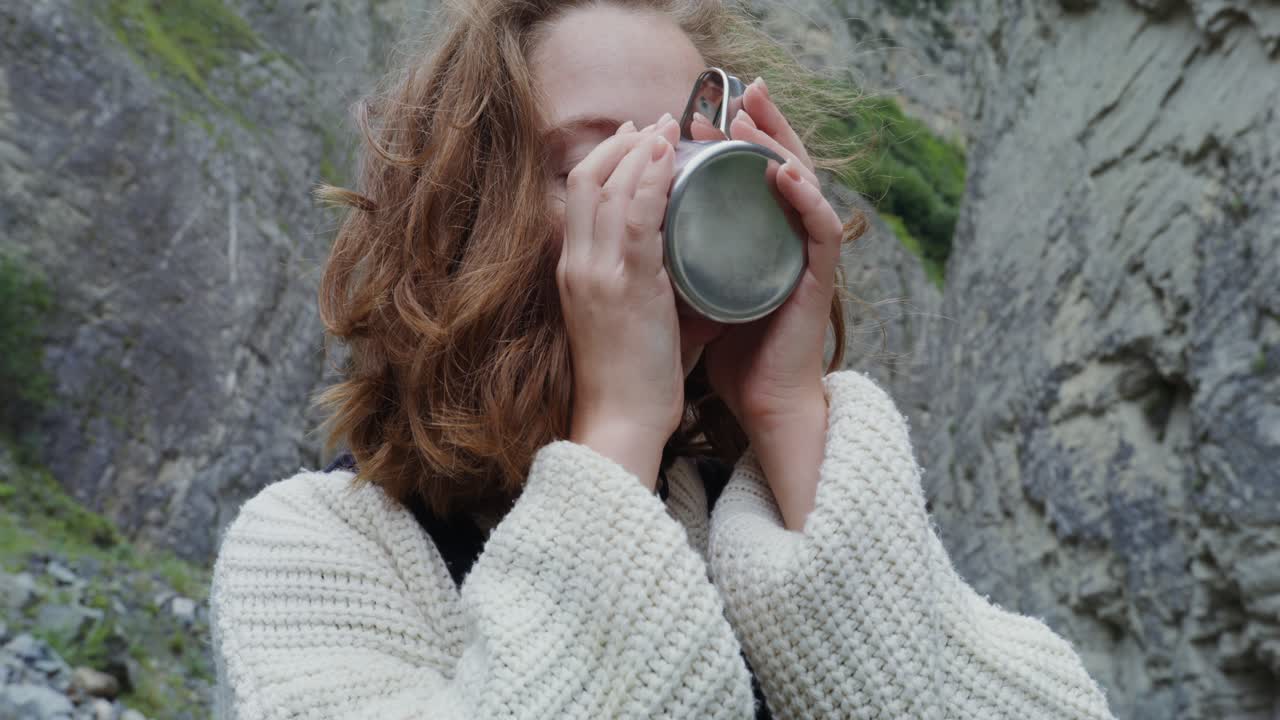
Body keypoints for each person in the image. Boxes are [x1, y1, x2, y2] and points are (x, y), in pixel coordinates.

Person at [208, 1, 1115, 718]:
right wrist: (620, 428)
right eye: (600, 159)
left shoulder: (757, 527)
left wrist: (789, 408)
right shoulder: (316, 549)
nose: (657, 203)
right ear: (461, 216)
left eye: (693, 160)